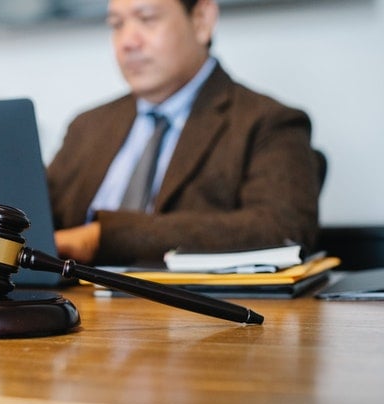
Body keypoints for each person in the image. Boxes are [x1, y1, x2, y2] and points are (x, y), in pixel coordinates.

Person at [47, 0, 321, 267]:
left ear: (202, 20)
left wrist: (104, 236)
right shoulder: (87, 126)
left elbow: (281, 228)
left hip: (186, 309)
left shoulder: (267, 122)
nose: (127, 42)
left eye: (147, 19)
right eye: (116, 25)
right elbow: (37, 219)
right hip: (67, 305)